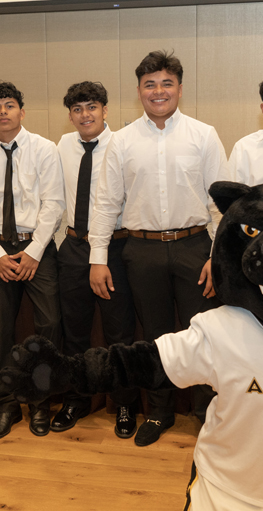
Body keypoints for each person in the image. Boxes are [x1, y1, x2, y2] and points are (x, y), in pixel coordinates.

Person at [89, 50, 226, 446]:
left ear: (180, 89)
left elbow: (221, 203)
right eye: (150, 84)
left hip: (195, 248)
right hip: (142, 251)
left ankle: (206, 414)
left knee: (204, 335)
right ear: (139, 92)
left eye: (167, 83)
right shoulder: (122, 141)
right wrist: (98, 259)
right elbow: (106, 203)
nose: (159, 91)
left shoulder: (204, 135)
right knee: (156, 337)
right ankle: (161, 412)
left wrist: (218, 256)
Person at [0, 81, 65, 440]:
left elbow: (53, 204)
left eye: (10, 105)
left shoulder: (44, 149)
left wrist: (33, 252)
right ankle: (7, 404)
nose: (3, 112)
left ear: (21, 112)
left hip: (37, 248)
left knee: (49, 326)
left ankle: (41, 403)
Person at [51, 81, 138, 437]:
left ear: (105, 110)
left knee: (120, 333)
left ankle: (125, 404)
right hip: (72, 247)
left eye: (92, 107)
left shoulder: (124, 145)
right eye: (77, 109)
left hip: (115, 249)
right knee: (74, 331)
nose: (85, 115)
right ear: (70, 115)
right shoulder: (62, 146)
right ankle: (77, 399)